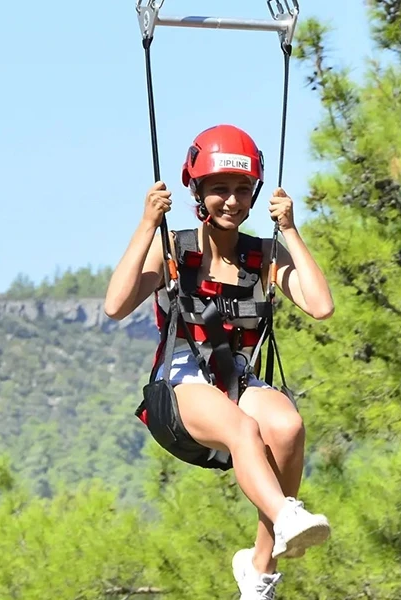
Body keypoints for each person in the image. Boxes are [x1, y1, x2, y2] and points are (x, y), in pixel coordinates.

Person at [104, 124, 334, 599]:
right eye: (219, 189)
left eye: (242, 190)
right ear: (197, 191)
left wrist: (290, 230)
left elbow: (320, 305)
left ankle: (260, 570)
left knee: (288, 427)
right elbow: (115, 305)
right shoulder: (174, 249)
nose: (231, 201)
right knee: (243, 429)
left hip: (237, 377)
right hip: (181, 382)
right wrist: (147, 225)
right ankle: (286, 514)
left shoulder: (263, 255)